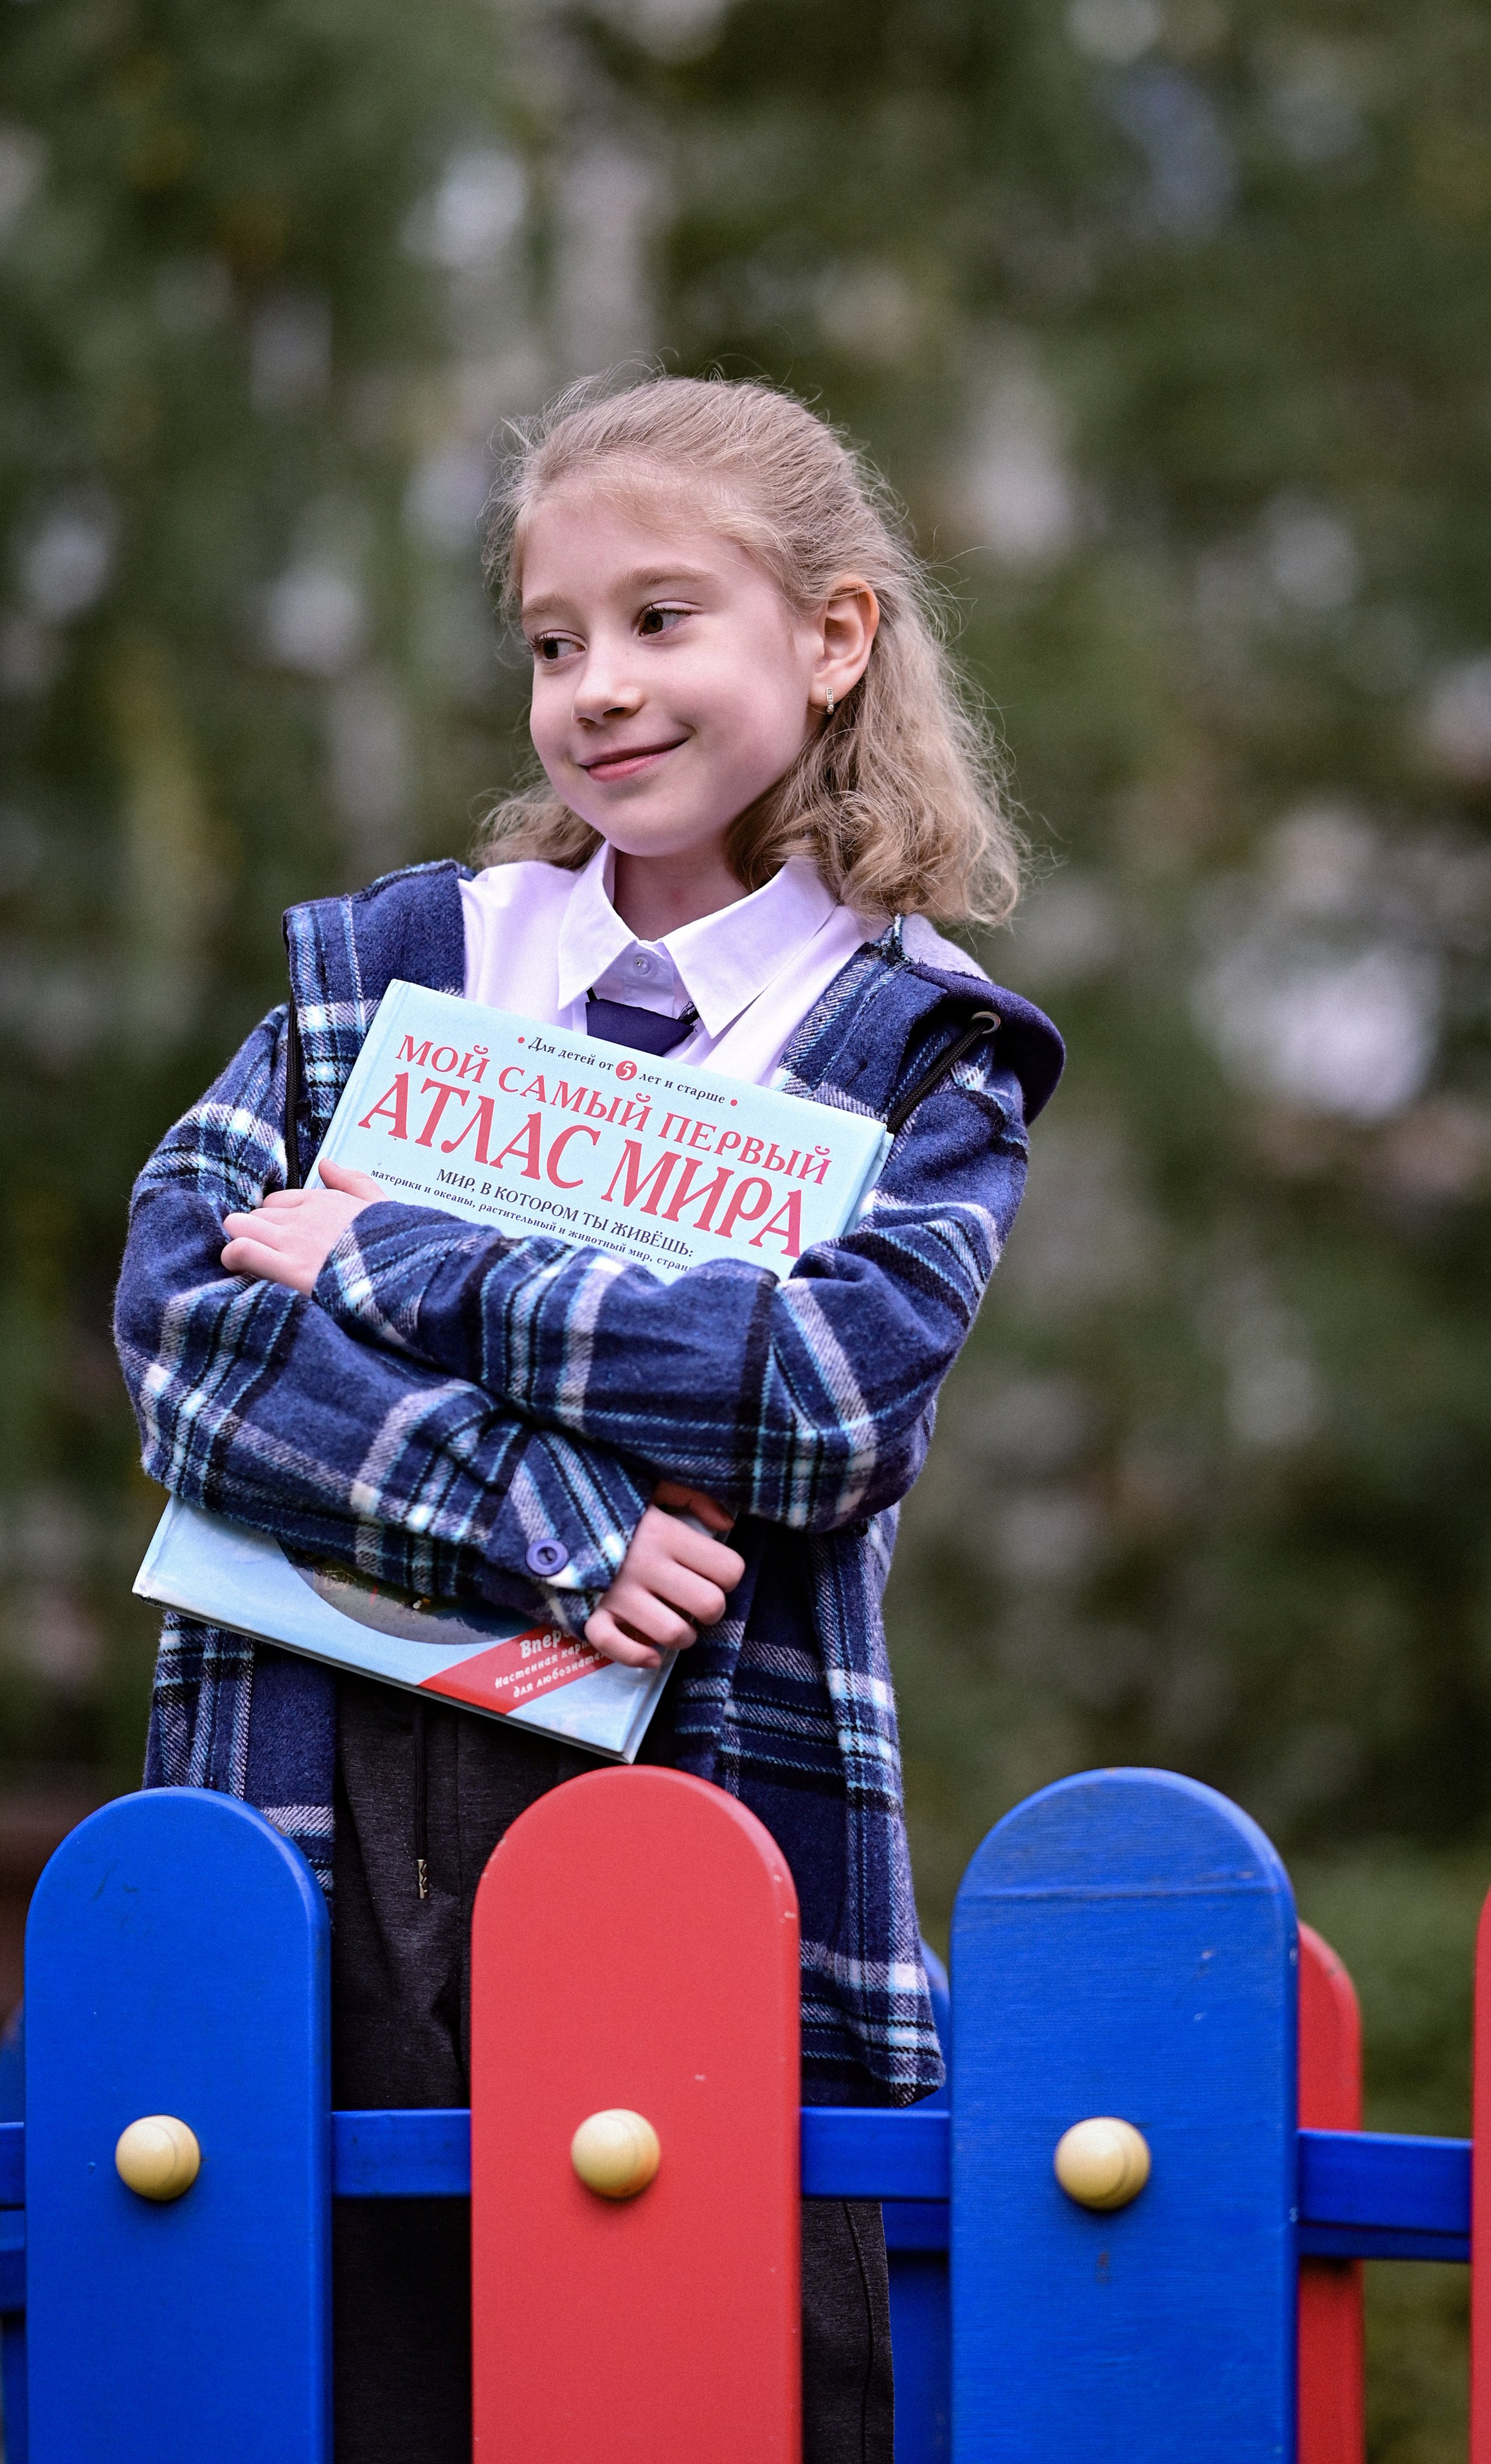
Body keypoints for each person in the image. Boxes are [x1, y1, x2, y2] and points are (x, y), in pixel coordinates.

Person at [114, 373, 1063, 2464]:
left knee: (695, 2386)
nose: (597, 688)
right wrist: (544, 1512)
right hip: (323, 1797)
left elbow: (820, 1395)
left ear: (833, 636)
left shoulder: (921, 1048)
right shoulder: (389, 969)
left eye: (660, 620)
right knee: (336, 2379)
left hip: (706, 1812)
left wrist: (394, 1258)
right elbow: (182, 1320)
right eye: (553, 641)